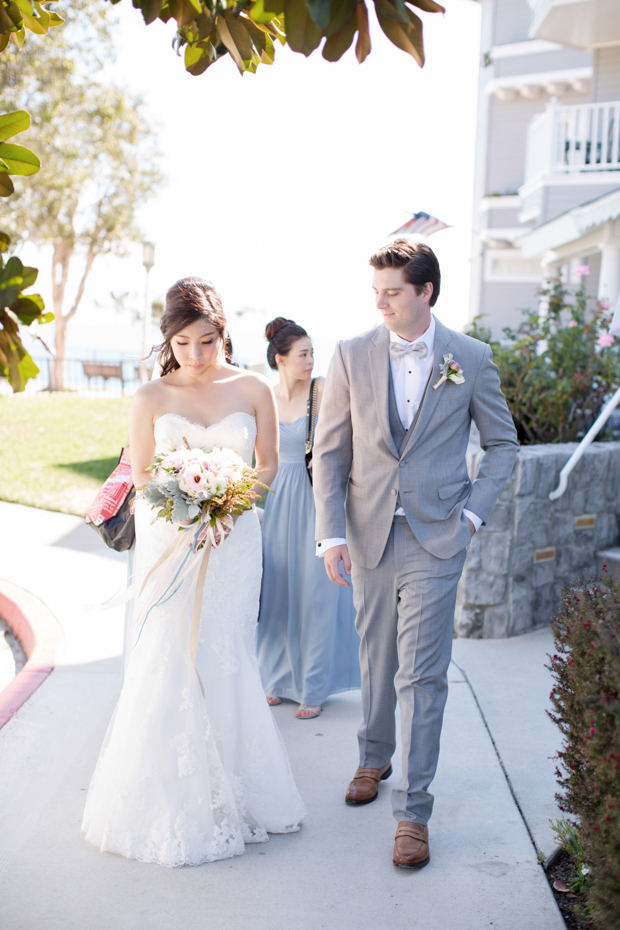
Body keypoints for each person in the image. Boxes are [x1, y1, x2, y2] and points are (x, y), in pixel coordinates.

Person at [82, 278, 305, 867]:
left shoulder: (254, 386)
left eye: (206, 342)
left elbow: (270, 466)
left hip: (235, 541)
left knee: (227, 652)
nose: (196, 357)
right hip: (169, 541)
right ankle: (169, 796)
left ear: (223, 334)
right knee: (172, 653)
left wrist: (226, 501)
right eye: (183, 344)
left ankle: (237, 788)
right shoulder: (152, 396)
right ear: (169, 342)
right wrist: (189, 509)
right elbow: (142, 475)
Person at [313, 240, 518, 869]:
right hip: (369, 531)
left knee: (422, 675)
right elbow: (331, 450)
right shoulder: (351, 354)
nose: (381, 302)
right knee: (377, 656)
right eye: (376, 291)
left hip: (438, 535)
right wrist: (331, 534)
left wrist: (474, 515)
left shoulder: (472, 358)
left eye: (393, 292)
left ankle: (413, 811)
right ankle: (374, 755)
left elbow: (504, 446)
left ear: (426, 291)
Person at [256, 318, 360, 719]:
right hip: (277, 499)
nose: (311, 361)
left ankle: (314, 687)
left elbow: (348, 434)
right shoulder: (264, 395)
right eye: (303, 354)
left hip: (317, 500)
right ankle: (277, 679)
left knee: (317, 595)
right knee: (279, 592)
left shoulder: (322, 390)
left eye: (313, 353)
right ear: (280, 359)